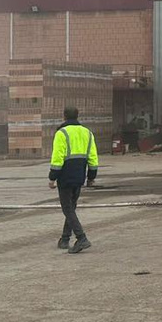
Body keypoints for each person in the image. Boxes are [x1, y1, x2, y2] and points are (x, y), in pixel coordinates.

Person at [48, 106, 98, 253]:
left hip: (65, 176)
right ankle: (64, 239)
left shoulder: (61, 133)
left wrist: (52, 177)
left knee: (67, 208)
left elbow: (58, 157)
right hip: (80, 175)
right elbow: (93, 158)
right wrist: (91, 177)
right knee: (71, 207)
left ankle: (81, 238)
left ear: (64, 116)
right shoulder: (87, 133)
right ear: (78, 115)